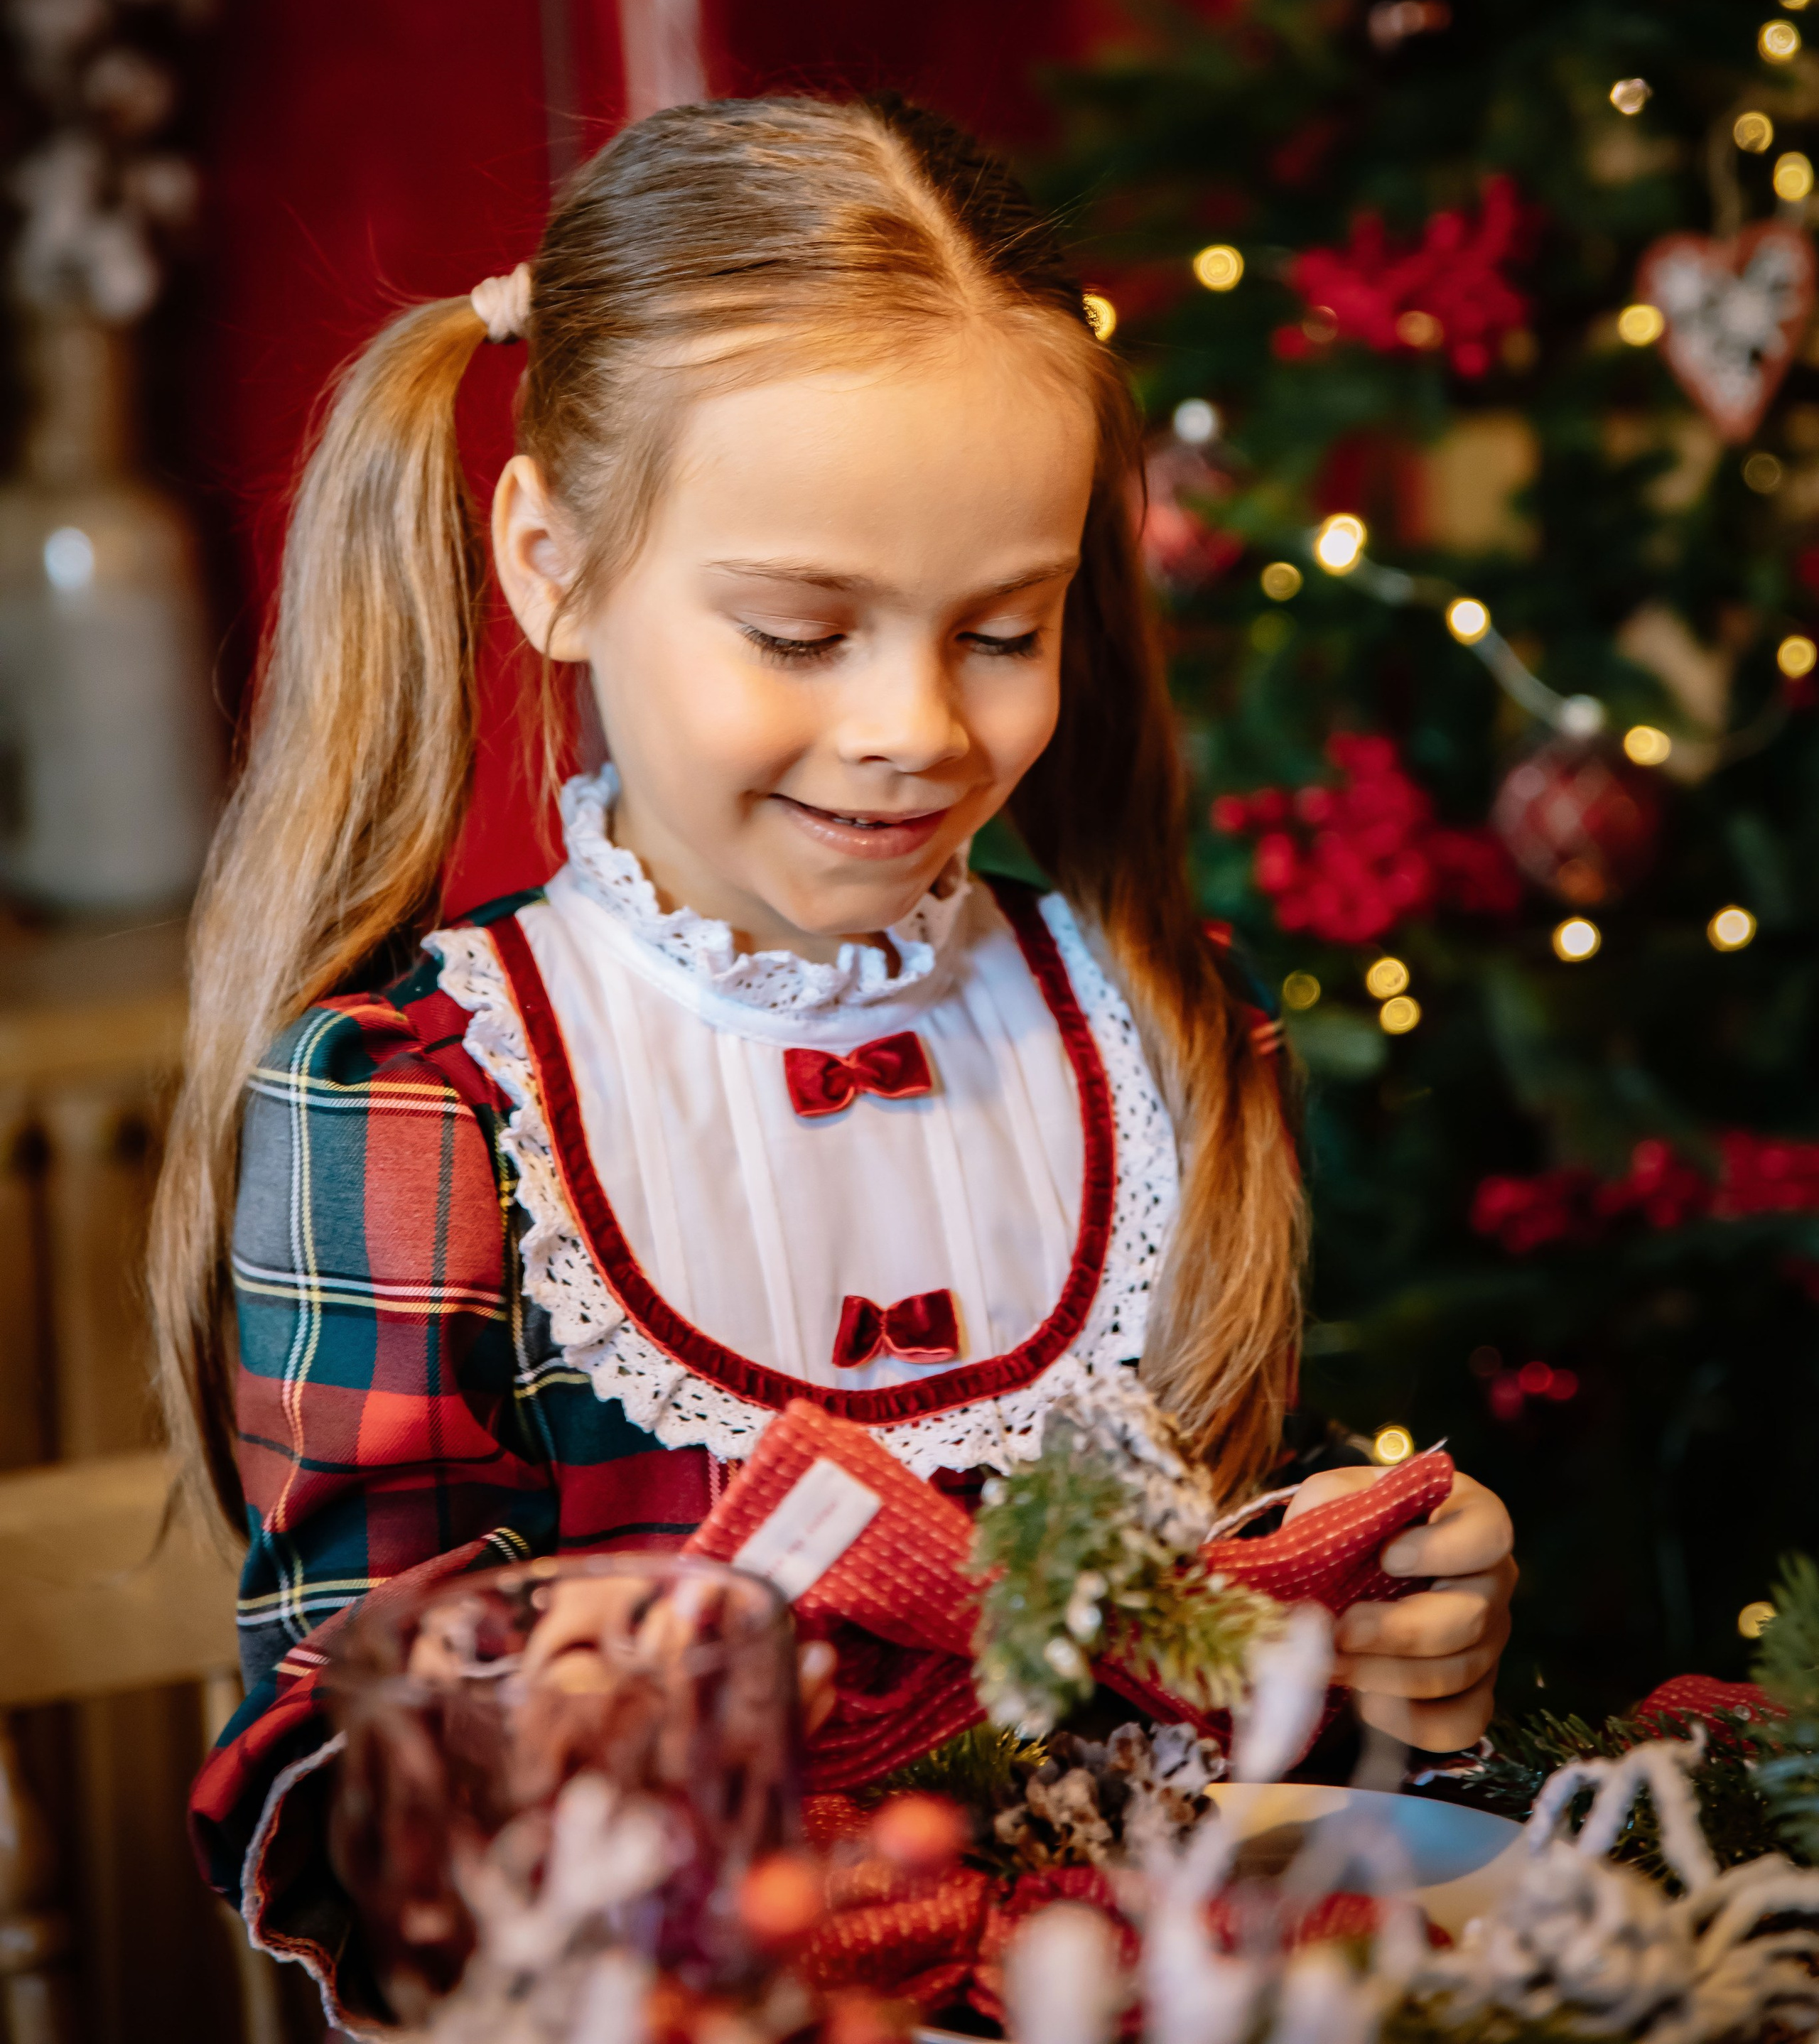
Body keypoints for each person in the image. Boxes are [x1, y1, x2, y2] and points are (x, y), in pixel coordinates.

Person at [156, 97, 1515, 2018]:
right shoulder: (421, 1100)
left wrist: (1388, 1649)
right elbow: (322, 1777)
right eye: (801, 632)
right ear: (550, 561)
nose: (911, 730)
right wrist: (562, 1754)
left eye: (1002, 631)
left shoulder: (1154, 1032)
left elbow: (1238, 1713)